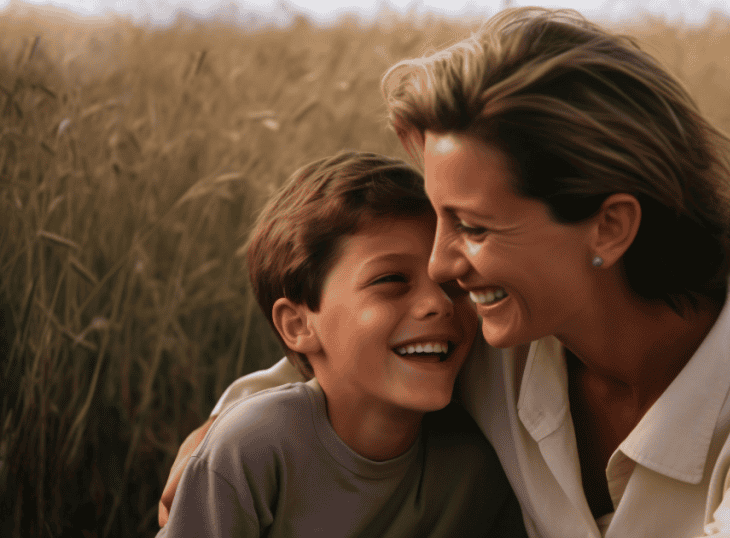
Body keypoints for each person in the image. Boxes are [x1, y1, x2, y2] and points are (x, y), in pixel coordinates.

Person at [161, 8, 730, 537]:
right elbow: (346, 346)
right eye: (438, 219)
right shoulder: (493, 328)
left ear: (610, 226)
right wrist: (230, 430)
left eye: (472, 226)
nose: (441, 268)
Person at [157, 151, 525, 537]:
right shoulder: (252, 451)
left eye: (451, 283)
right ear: (298, 324)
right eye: (391, 280)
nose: (439, 302)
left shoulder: (478, 470)